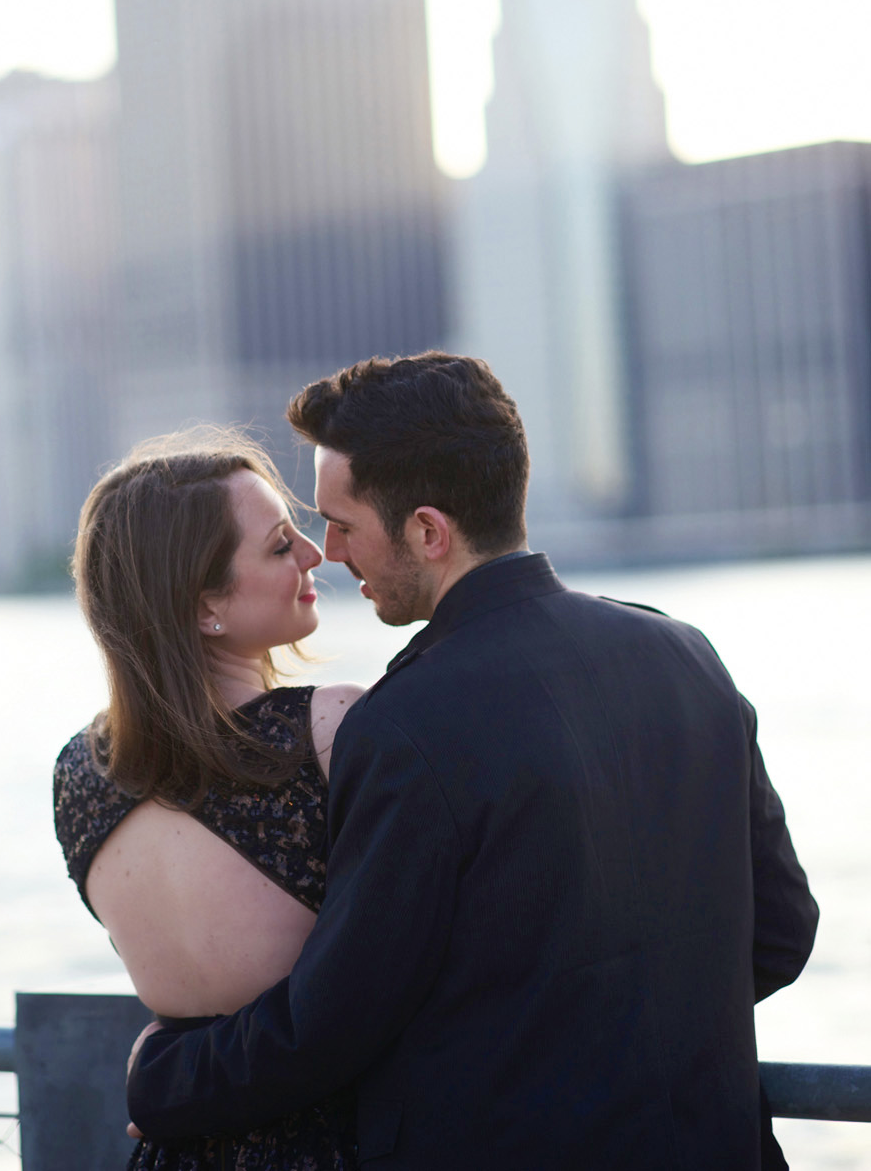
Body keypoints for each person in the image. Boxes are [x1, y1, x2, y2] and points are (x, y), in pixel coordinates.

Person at [127, 352, 819, 1171]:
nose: (332, 554)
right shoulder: (685, 655)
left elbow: (334, 1023)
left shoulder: (405, 727)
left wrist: (163, 1081)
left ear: (427, 530)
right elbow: (782, 932)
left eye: (343, 524)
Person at [53, 432, 364, 1170]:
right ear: (204, 607)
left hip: (179, 1148)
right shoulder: (331, 728)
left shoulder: (78, 773)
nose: (315, 557)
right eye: (280, 547)